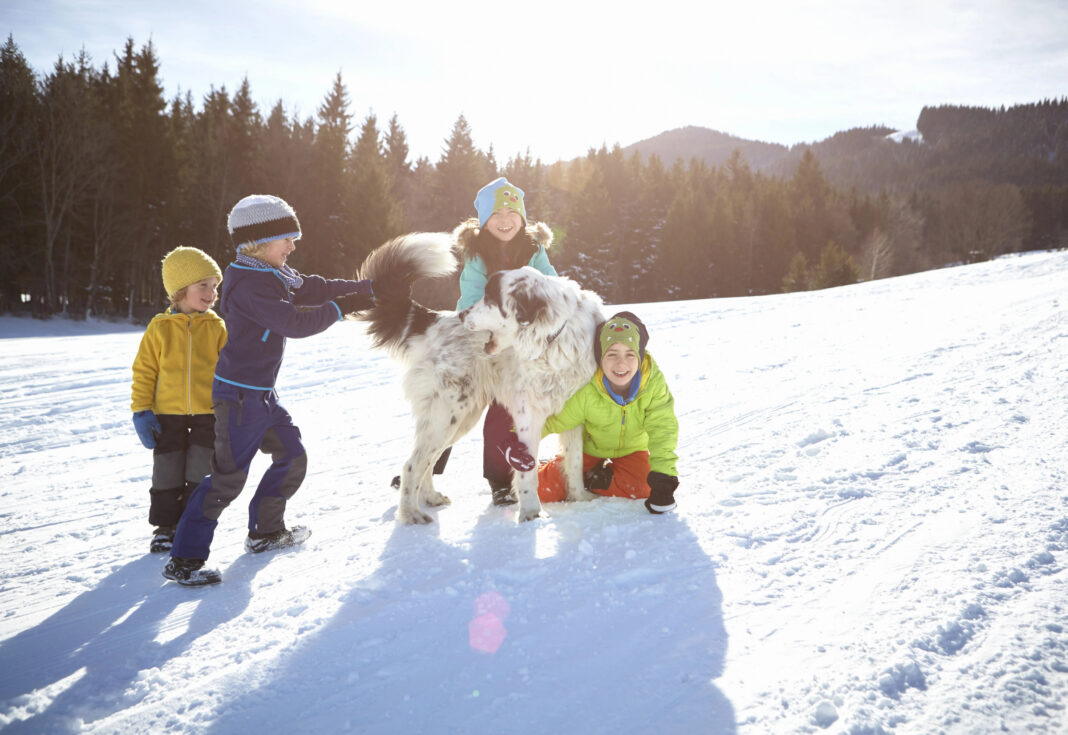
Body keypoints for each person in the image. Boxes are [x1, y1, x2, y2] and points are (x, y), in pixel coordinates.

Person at [163, 194, 376, 586]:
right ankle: (185, 559)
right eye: (287, 238)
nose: (293, 246)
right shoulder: (249, 285)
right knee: (227, 480)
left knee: (292, 455)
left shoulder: (273, 274)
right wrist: (345, 307)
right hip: (240, 399)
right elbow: (294, 322)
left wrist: (365, 287)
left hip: (262, 395)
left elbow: (313, 288)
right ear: (257, 242)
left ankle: (265, 532)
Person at [455, 177, 559, 505]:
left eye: (512, 213)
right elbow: (471, 300)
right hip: (487, 340)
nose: (504, 220)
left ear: (522, 218)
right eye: (496, 214)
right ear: (484, 220)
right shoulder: (477, 255)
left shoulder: (533, 249)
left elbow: (552, 285)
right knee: (459, 406)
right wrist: (495, 328)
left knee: (506, 410)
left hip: (524, 344)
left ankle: (501, 479)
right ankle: (427, 466)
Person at [534, 311, 681, 514]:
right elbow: (557, 420)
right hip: (591, 449)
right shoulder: (588, 388)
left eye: (630, 354)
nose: (621, 363)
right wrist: (518, 438)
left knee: (644, 486)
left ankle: (597, 479)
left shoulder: (652, 384)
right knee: (544, 490)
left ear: (640, 357)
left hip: (632, 448)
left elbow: (663, 428)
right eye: (612, 354)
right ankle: (552, 469)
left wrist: (664, 478)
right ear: (600, 357)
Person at [131, 246, 227, 554]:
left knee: (200, 472)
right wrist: (142, 410)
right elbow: (144, 371)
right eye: (204, 285)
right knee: (167, 471)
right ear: (180, 289)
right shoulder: (159, 328)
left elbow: (229, 371)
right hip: (167, 415)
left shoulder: (216, 327)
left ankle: (189, 524)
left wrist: (232, 407)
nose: (212, 293)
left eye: (215, 286)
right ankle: (164, 528)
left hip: (207, 414)